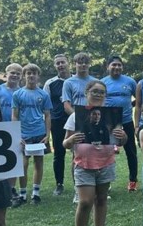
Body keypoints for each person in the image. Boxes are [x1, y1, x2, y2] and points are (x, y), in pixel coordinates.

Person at [63, 80, 126, 226]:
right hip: (83, 164)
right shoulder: (76, 116)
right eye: (95, 91)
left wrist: (124, 136)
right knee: (85, 202)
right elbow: (65, 143)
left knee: (101, 200)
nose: (98, 95)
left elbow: (121, 141)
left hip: (106, 163)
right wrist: (71, 140)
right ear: (87, 93)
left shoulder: (112, 116)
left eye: (102, 92)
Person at [11, 63, 52, 206]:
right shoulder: (18, 94)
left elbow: (47, 116)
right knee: (23, 164)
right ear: (24, 76)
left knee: (39, 162)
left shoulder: (43, 94)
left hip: (39, 133)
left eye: (34, 73)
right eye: (28, 73)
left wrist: (48, 134)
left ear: (38, 76)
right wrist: (16, 135)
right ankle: (22, 194)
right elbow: (14, 116)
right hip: (24, 134)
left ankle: (36, 193)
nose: (31, 76)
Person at [61, 52, 97, 204]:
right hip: (77, 122)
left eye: (85, 62)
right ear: (74, 64)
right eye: (79, 62)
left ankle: (96, 188)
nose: (83, 65)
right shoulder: (69, 82)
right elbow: (66, 104)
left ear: (89, 64)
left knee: (96, 153)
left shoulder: (96, 81)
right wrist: (79, 117)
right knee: (76, 156)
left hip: (94, 121)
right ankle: (78, 189)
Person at [101, 55, 139, 192]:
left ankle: (133, 181)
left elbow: (138, 100)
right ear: (108, 67)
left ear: (122, 67)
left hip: (127, 121)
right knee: (106, 152)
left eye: (119, 65)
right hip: (108, 124)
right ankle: (105, 182)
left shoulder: (130, 82)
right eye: (113, 65)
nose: (116, 67)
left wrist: (130, 105)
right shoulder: (102, 82)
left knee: (131, 152)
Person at [0, 63, 24, 202]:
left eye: (17, 73)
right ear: (6, 74)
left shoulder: (21, 92)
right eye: (12, 73)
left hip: (15, 129)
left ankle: (11, 189)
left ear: (21, 76)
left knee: (13, 160)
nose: (14, 75)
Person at [43, 54, 71, 196]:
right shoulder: (50, 83)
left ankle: (80, 181)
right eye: (58, 63)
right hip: (57, 121)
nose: (60, 65)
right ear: (55, 66)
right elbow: (45, 106)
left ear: (68, 63)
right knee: (59, 153)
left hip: (75, 120)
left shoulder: (75, 80)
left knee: (79, 151)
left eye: (62, 62)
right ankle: (59, 183)